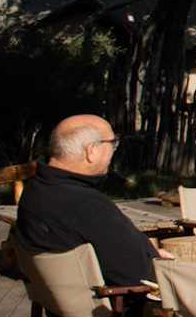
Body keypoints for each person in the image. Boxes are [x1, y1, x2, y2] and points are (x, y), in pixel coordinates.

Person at [15, 114, 171, 286]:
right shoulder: (86, 205)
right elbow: (141, 276)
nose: (113, 150)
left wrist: (150, 253)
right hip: (118, 305)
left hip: (65, 300)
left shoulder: (35, 191)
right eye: (112, 143)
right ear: (91, 151)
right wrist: (158, 262)